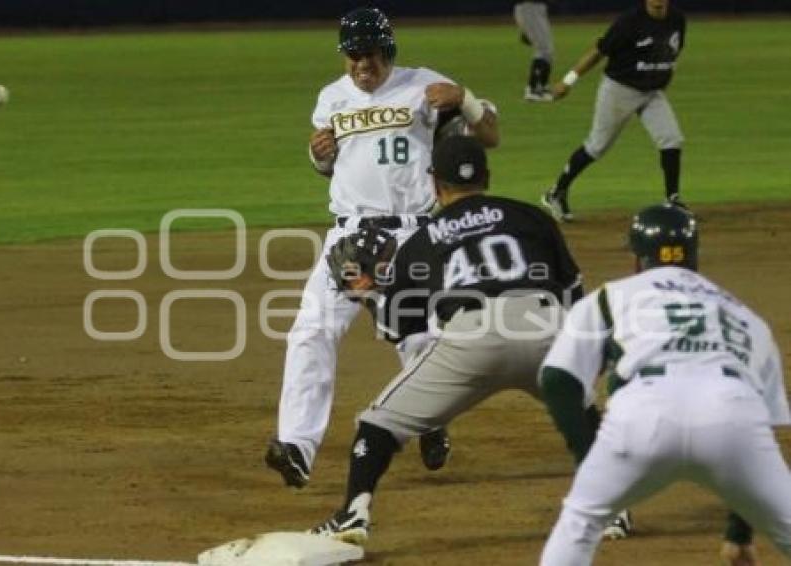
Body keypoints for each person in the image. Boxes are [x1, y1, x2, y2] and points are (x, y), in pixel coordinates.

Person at [309, 135, 587, 545]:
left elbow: (398, 329)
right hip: (546, 324)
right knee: (590, 421)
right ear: (487, 177)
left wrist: (368, 293)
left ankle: (353, 513)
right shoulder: (531, 216)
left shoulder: (423, 240)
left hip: (471, 338)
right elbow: (575, 294)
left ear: (434, 182)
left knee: (377, 425)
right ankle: (615, 511)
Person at [265, 7, 500, 489]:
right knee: (311, 330)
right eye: (352, 56)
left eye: (368, 55)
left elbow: (490, 135)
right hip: (346, 235)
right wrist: (317, 156)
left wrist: (467, 99)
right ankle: (296, 446)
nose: (360, 65)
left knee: (415, 336)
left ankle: (431, 419)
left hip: (410, 234)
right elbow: (331, 165)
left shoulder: (425, 85)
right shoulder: (331, 97)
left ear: (387, 51)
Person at [538, 203, 791, 565]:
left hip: (644, 414)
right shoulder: (745, 315)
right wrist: (739, 535)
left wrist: (587, 458)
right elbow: (764, 424)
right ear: (694, 256)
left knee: (580, 522)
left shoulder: (611, 295)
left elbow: (557, 378)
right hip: (733, 414)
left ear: (637, 259)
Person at [541, 0, 687, 222]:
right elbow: (598, 52)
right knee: (597, 146)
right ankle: (556, 192)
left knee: (671, 139)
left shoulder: (677, 20)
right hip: (620, 89)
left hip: (651, 92)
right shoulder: (629, 22)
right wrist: (568, 81)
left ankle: (673, 199)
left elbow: (672, 52)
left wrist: (662, 76)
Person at [514, 0, 556, 102]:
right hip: (530, 7)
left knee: (548, 50)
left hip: (536, 8)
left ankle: (542, 87)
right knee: (544, 50)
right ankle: (532, 89)